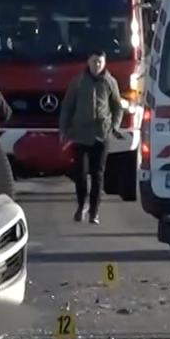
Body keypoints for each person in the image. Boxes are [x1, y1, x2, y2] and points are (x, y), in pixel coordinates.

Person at [59, 49, 123, 224]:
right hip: (80, 134)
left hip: (101, 135)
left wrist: (114, 126)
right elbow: (68, 107)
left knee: (98, 174)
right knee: (80, 173)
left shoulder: (110, 82)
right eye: (94, 61)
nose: (97, 65)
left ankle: (94, 212)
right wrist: (63, 130)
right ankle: (81, 205)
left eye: (100, 62)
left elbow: (118, 107)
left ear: (105, 63)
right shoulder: (78, 82)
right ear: (88, 61)